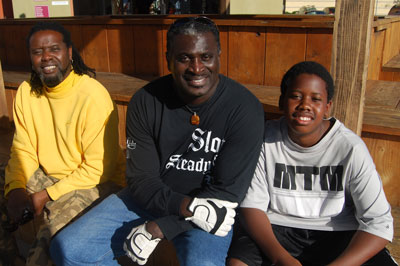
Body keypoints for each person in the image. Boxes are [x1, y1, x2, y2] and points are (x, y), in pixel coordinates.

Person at [49, 16, 264, 266]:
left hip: (211, 211)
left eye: (206, 57)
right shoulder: (145, 101)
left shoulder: (244, 108)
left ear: (218, 55)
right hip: (155, 200)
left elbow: (226, 194)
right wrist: (184, 207)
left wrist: (160, 228)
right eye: (184, 58)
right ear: (168, 59)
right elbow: (140, 179)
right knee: (68, 250)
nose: (196, 67)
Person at [227, 61, 397, 266]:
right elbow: (252, 207)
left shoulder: (350, 148)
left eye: (315, 99)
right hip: (276, 231)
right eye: (296, 96)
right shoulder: (264, 139)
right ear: (282, 101)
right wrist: (281, 258)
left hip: (337, 233)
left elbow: (379, 222)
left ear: (327, 107)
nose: (305, 105)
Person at [0, 21, 125, 266]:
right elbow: (23, 148)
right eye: (37, 52)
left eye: (54, 49)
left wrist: (44, 196)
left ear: (69, 53)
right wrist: (15, 187)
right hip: (49, 174)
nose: (46, 57)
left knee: (50, 246)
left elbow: (98, 169)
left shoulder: (93, 96)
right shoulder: (27, 91)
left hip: (96, 183)